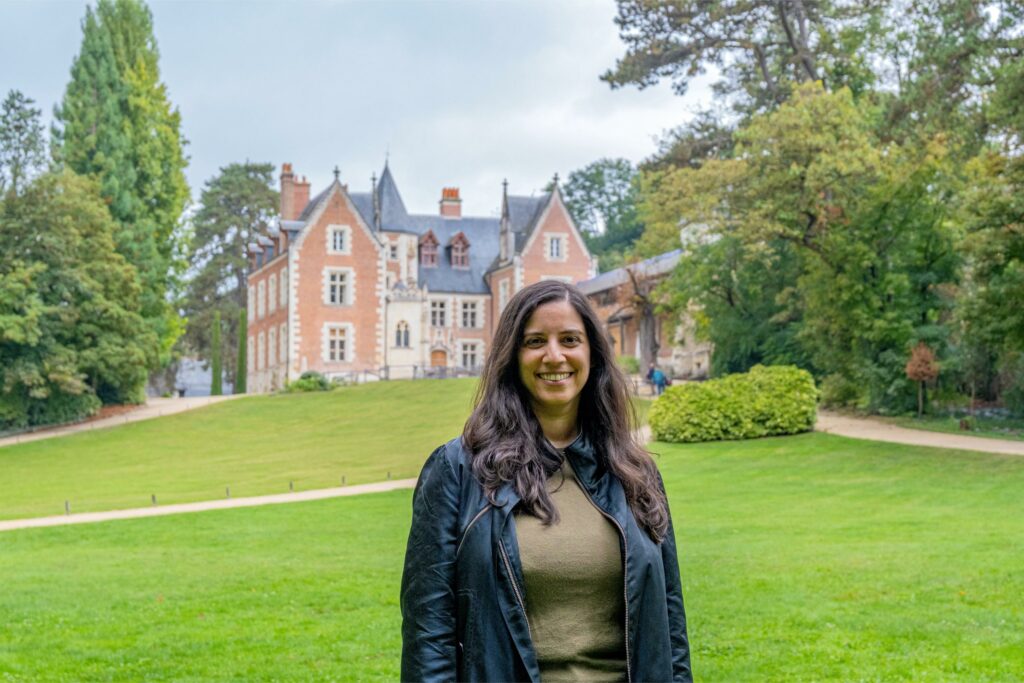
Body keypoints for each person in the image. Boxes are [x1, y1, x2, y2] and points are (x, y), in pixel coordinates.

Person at [400, 280, 692, 682]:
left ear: (592, 352)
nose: (554, 356)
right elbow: (429, 636)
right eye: (535, 341)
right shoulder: (458, 470)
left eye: (570, 339)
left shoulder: (635, 472)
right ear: (512, 356)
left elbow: (670, 625)